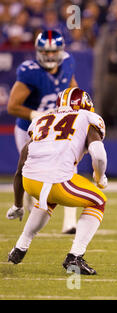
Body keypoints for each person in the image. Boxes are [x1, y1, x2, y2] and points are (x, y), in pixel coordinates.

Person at [6, 87, 108, 275]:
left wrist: (18, 204)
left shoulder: (42, 120)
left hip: (30, 181)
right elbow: (99, 156)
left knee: (48, 199)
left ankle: (20, 247)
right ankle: (75, 256)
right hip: (57, 181)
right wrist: (100, 177)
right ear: (86, 104)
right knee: (98, 201)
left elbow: (21, 164)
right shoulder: (87, 117)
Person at [7, 29, 79, 234]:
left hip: (56, 129)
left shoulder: (68, 63)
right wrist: (37, 115)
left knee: (69, 167)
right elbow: (13, 106)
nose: (49, 55)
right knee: (29, 171)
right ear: (38, 51)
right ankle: (24, 205)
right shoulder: (30, 71)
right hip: (29, 129)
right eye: (45, 52)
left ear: (60, 51)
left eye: (53, 51)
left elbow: (72, 89)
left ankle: (69, 223)